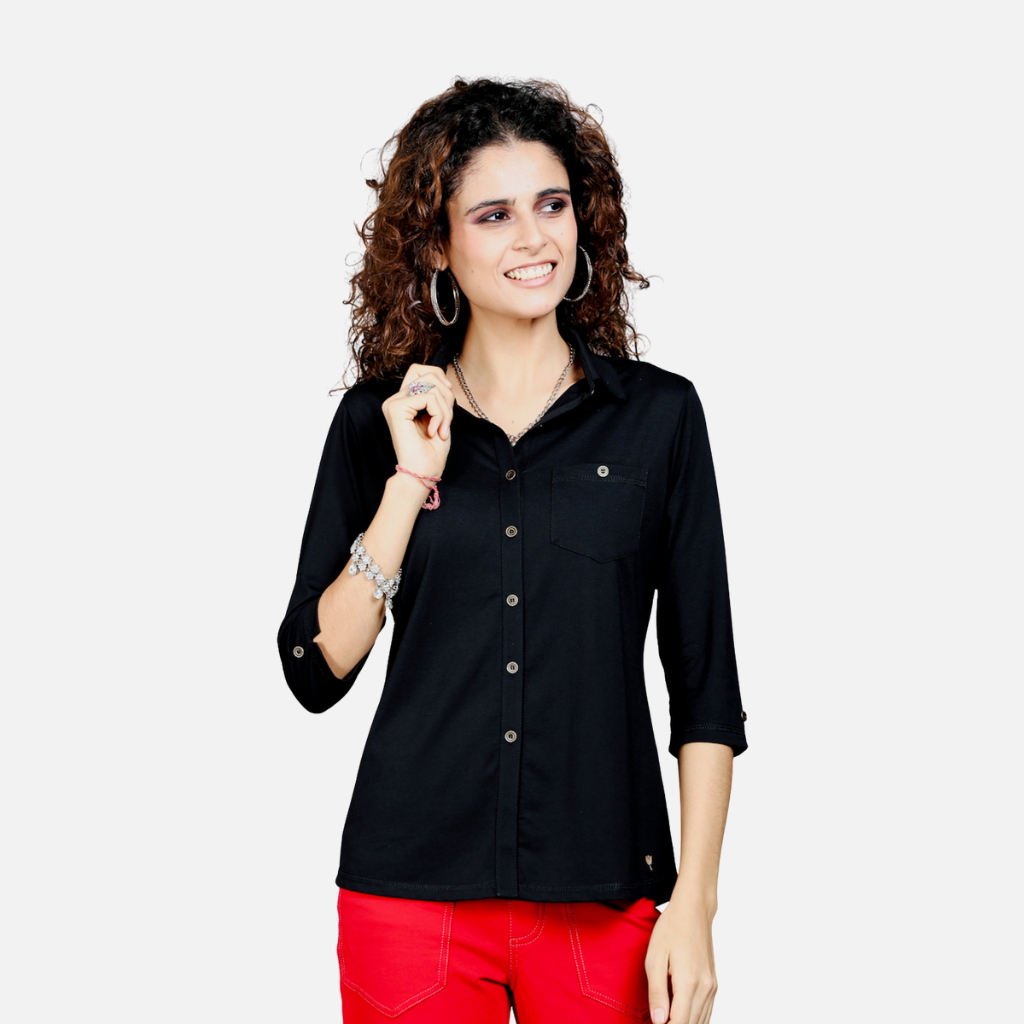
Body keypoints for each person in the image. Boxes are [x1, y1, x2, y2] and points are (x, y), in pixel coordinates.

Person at [277, 77, 749, 1024]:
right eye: (493, 215)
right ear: (438, 246)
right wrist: (410, 479)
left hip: (603, 899)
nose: (533, 238)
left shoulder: (659, 418)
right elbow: (316, 669)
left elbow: (705, 682)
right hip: (409, 897)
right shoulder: (378, 422)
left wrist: (694, 905)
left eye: (552, 205)